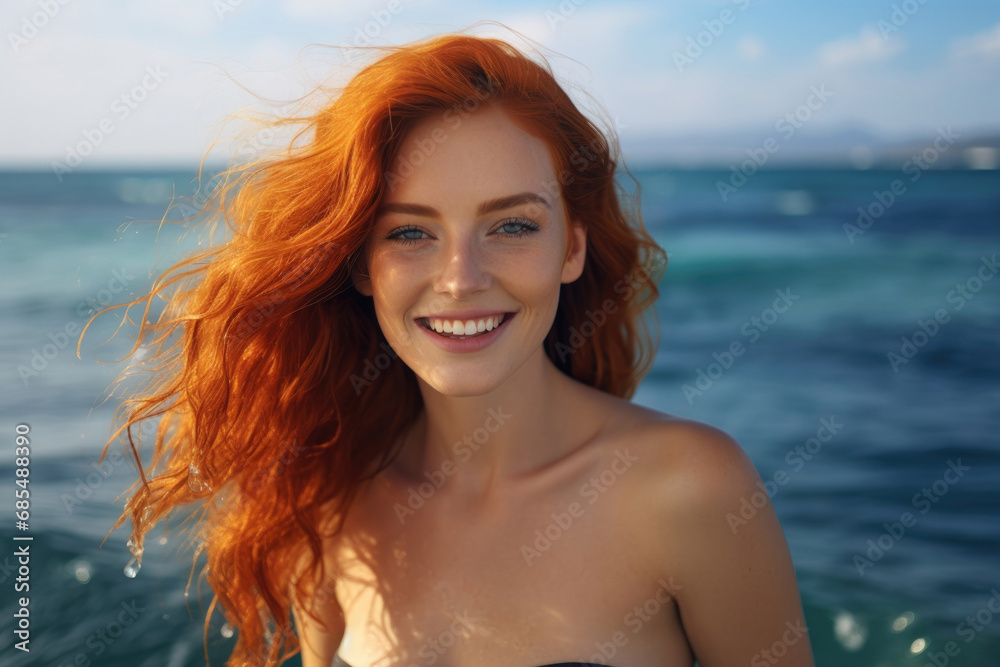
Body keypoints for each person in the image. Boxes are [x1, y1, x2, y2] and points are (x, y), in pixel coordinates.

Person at [89, 24, 814, 667]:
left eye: (512, 225)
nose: (461, 279)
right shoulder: (332, 497)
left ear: (572, 248)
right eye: (410, 232)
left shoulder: (688, 489)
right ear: (361, 265)